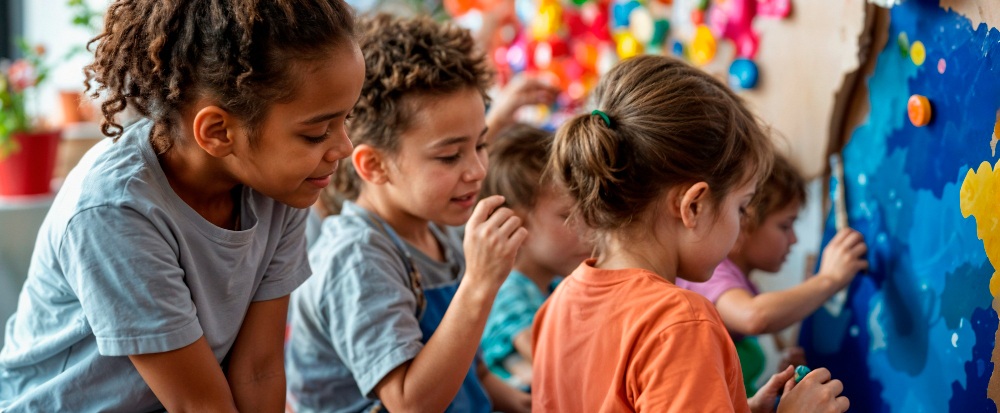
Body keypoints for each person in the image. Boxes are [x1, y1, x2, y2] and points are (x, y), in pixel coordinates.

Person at [0, 1, 363, 411]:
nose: (344, 147)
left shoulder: (285, 185)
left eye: (347, 119)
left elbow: (258, 369)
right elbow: (198, 404)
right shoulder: (115, 210)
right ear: (218, 132)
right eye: (317, 132)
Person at [531, 54, 850, 413]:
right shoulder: (680, 323)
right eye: (741, 207)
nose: (739, 225)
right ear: (693, 206)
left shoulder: (557, 306)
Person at [285, 14, 530, 413]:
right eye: (450, 156)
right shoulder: (357, 257)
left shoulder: (439, 230)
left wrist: (519, 401)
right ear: (375, 166)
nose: (477, 170)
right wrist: (480, 285)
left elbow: (470, 370)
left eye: (480, 145)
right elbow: (408, 403)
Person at [676, 154, 868, 396]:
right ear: (745, 220)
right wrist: (829, 279)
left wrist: (775, 386)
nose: (794, 239)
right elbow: (754, 316)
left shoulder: (740, 284)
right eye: (785, 226)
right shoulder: (708, 273)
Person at [479, 124, 591, 387]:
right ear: (517, 224)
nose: (590, 230)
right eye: (569, 216)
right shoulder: (506, 292)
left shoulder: (553, 288)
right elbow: (554, 363)